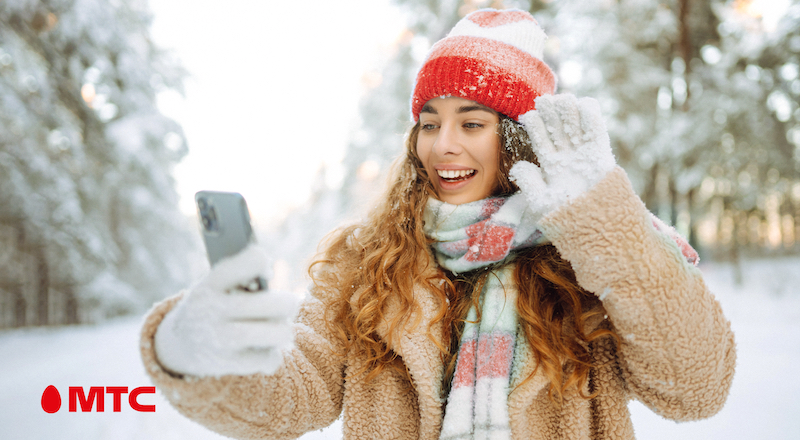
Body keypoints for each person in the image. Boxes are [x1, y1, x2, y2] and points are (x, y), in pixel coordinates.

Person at [140, 8, 735, 440]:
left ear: (516, 140)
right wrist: (195, 354)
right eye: (429, 123)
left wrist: (606, 226)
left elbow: (696, 389)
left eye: (471, 124)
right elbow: (296, 394)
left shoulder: (588, 258)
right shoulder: (366, 260)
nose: (442, 145)